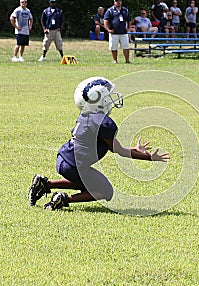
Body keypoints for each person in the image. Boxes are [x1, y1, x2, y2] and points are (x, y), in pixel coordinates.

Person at [28, 76, 170, 210]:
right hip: (74, 165)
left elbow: (112, 146)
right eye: (107, 97)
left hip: (64, 159)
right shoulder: (105, 123)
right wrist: (149, 157)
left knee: (88, 182)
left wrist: (135, 149)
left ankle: (45, 183)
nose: (110, 99)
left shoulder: (87, 115)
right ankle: (64, 199)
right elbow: (119, 150)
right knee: (105, 191)